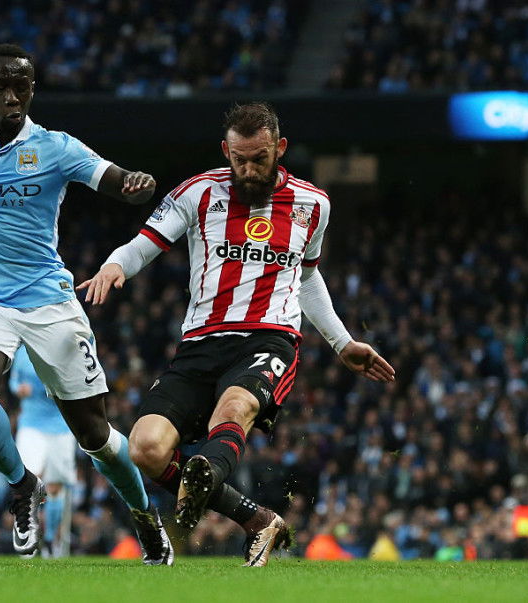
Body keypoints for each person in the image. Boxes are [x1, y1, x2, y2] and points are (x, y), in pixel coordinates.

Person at [79, 102, 396, 566]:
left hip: (269, 338)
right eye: (240, 159)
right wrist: (114, 265)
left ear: (279, 149)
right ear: (225, 151)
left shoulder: (313, 204)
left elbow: (305, 276)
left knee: (234, 406)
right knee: (145, 449)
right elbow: (145, 243)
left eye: (260, 159)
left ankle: (208, 470)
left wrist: (342, 342)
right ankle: (258, 520)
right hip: (200, 344)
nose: (249, 169)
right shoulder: (197, 193)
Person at [0, 43, 172, 564]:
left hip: (49, 299)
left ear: (31, 91)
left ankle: (143, 515)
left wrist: (136, 186)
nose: (11, 96)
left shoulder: (56, 147)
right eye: (0, 86)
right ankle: (25, 488)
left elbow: (114, 179)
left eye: (21, 86)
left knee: (93, 432)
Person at [10, 345, 76, 557]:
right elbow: (14, 380)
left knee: (55, 487)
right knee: (28, 482)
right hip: (31, 423)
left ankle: (50, 542)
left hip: (61, 425)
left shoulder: (60, 347)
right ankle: (27, 538)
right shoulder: (21, 352)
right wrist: (18, 389)